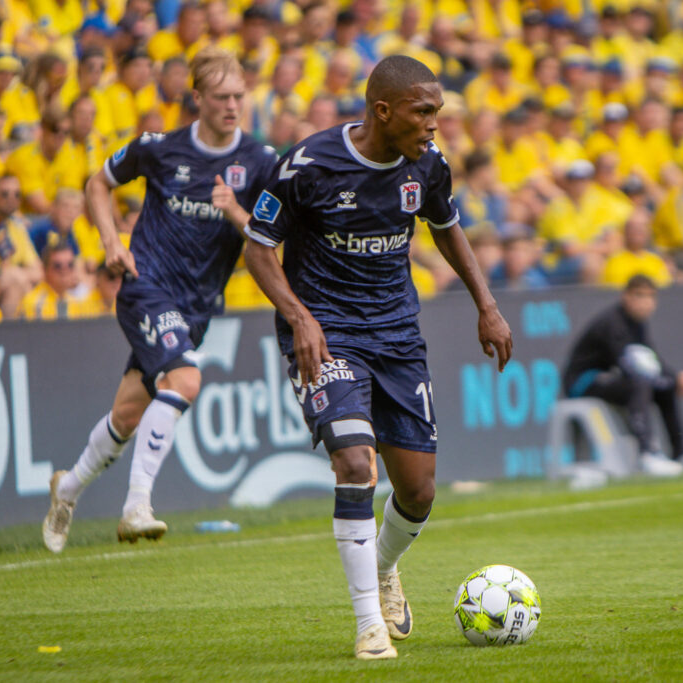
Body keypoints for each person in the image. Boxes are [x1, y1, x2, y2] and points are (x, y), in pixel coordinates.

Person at [242, 55, 513, 660]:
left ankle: (384, 567)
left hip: (396, 334)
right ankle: (369, 625)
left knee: (417, 492)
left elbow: (446, 227)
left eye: (437, 112)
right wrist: (299, 316)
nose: (433, 124)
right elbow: (259, 249)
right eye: (423, 112)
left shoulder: (429, 167)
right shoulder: (309, 165)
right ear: (382, 111)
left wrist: (486, 305)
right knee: (356, 462)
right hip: (327, 334)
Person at [41, 47, 278, 552]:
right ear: (197, 98)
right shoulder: (160, 148)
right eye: (220, 97)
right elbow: (97, 184)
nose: (232, 105)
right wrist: (110, 243)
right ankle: (137, 506)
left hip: (197, 306)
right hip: (145, 285)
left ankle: (68, 488)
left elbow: (277, 234)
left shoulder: (260, 162)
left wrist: (237, 214)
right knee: (186, 379)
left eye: (239, 95)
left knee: (127, 415)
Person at [562, 274, 683, 477]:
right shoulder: (613, 323)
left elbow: (651, 359)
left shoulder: (638, 324)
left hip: (608, 378)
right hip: (582, 382)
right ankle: (648, 453)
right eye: (639, 296)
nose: (646, 303)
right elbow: (633, 364)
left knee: (664, 386)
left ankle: (681, 450)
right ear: (626, 297)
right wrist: (677, 378)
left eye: (650, 297)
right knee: (640, 384)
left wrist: (673, 380)